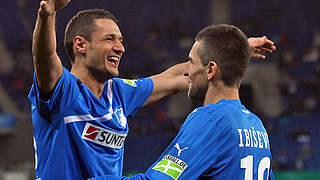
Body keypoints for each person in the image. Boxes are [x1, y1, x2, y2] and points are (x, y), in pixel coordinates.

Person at [28, 0, 275, 179]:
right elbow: (45, 60)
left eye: (121, 40)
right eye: (109, 39)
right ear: (81, 44)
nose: (120, 48)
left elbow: (181, 75)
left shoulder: (121, 93)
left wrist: (233, 50)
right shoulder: (64, 91)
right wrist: (47, 14)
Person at [91, 24, 276, 180]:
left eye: (191, 62)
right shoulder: (257, 127)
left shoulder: (210, 119)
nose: (187, 72)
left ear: (211, 70)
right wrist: (238, 50)